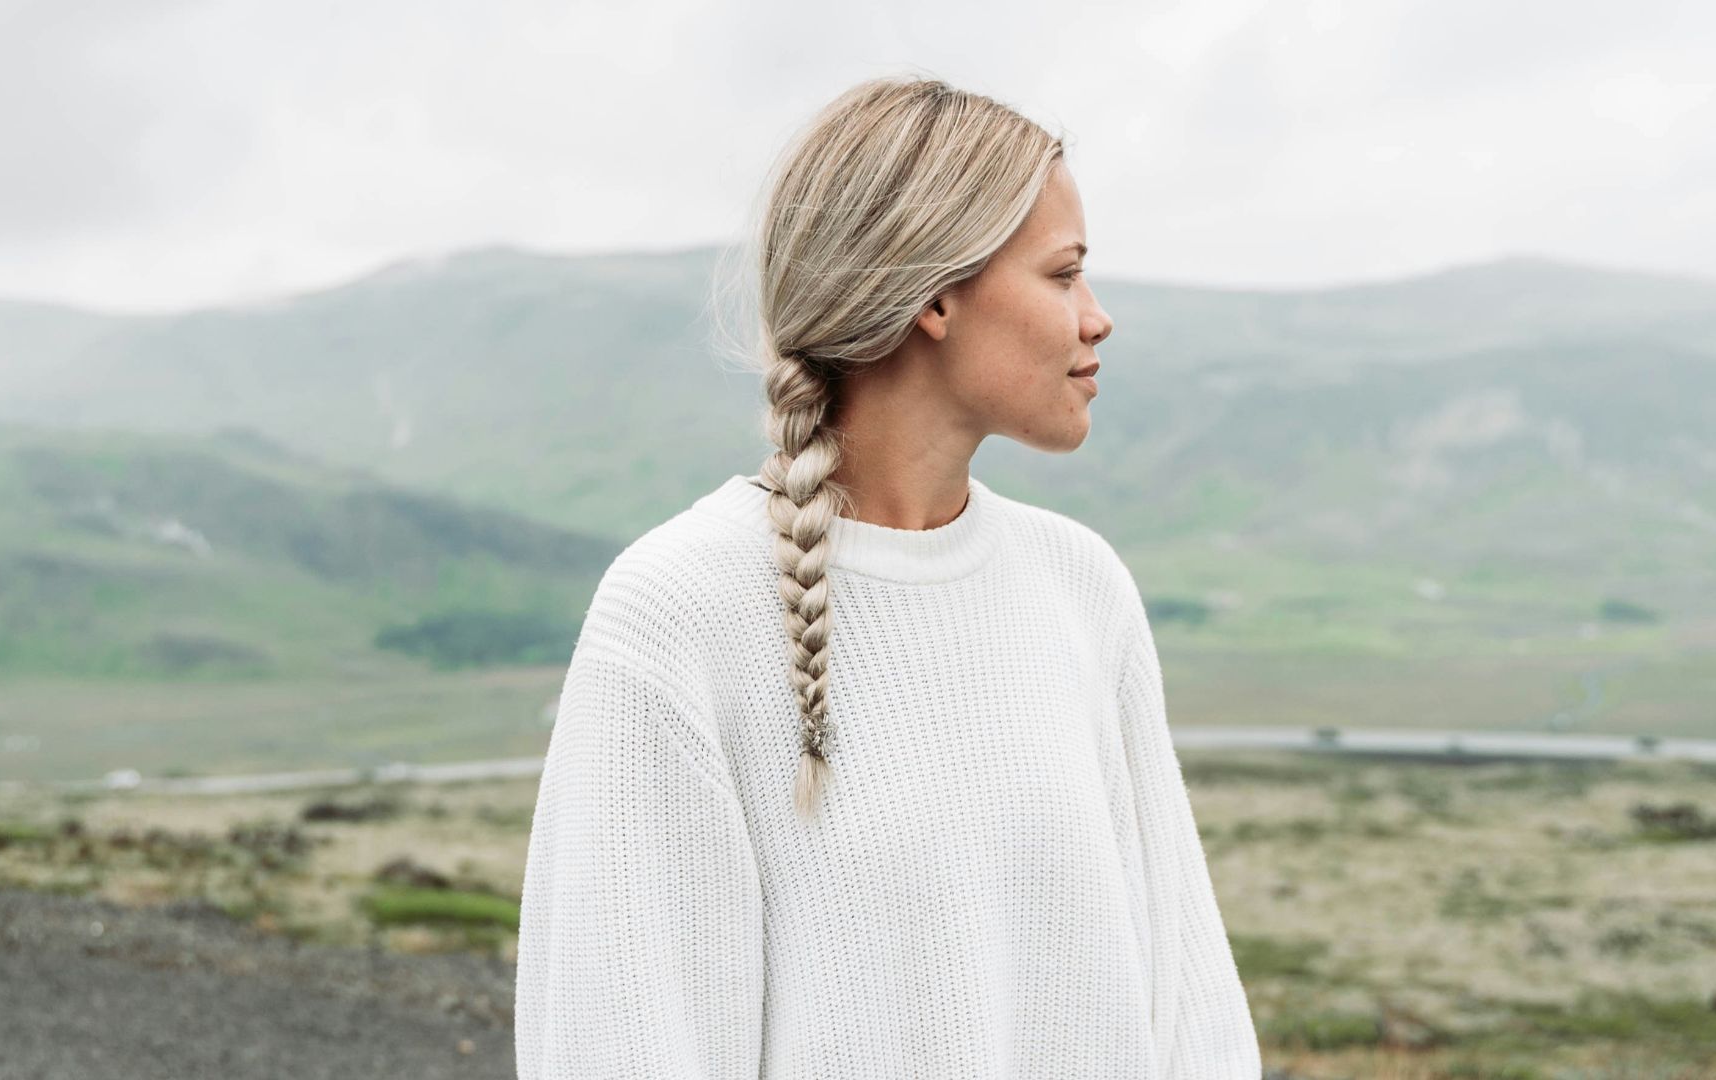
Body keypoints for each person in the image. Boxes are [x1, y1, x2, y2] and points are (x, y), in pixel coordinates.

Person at [513, 72, 1262, 1078]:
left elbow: (1189, 1012)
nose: (1097, 319)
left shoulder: (1082, 590)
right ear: (937, 296)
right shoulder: (679, 614)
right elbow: (625, 1042)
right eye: (1061, 274)